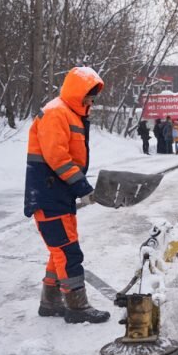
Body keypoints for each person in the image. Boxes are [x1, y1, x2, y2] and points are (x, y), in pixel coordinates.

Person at [23, 66, 111, 324]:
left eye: (93, 96)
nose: (91, 101)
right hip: (48, 194)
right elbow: (58, 158)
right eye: (89, 95)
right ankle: (77, 306)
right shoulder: (56, 113)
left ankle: (50, 302)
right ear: (77, 91)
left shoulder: (71, 114)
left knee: (59, 249)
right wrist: (83, 188)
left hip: (58, 193)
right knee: (68, 252)